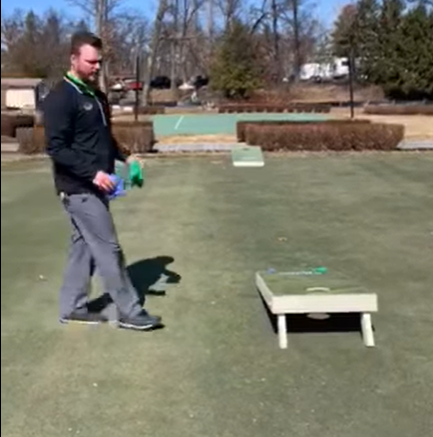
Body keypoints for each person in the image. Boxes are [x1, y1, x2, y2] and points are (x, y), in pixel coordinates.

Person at [43, 31, 162, 331]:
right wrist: (93, 173)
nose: (97, 67)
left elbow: (103, 139)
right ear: (73, 59)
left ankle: (72, 307)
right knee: (108, 249)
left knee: (82, 247)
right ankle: (129, 311)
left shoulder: (97, 96)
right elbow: (57, 148)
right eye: (91, 61)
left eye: (99, 62)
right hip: (79, 187)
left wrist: (128, 157)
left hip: (98, 185)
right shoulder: (61, 97)